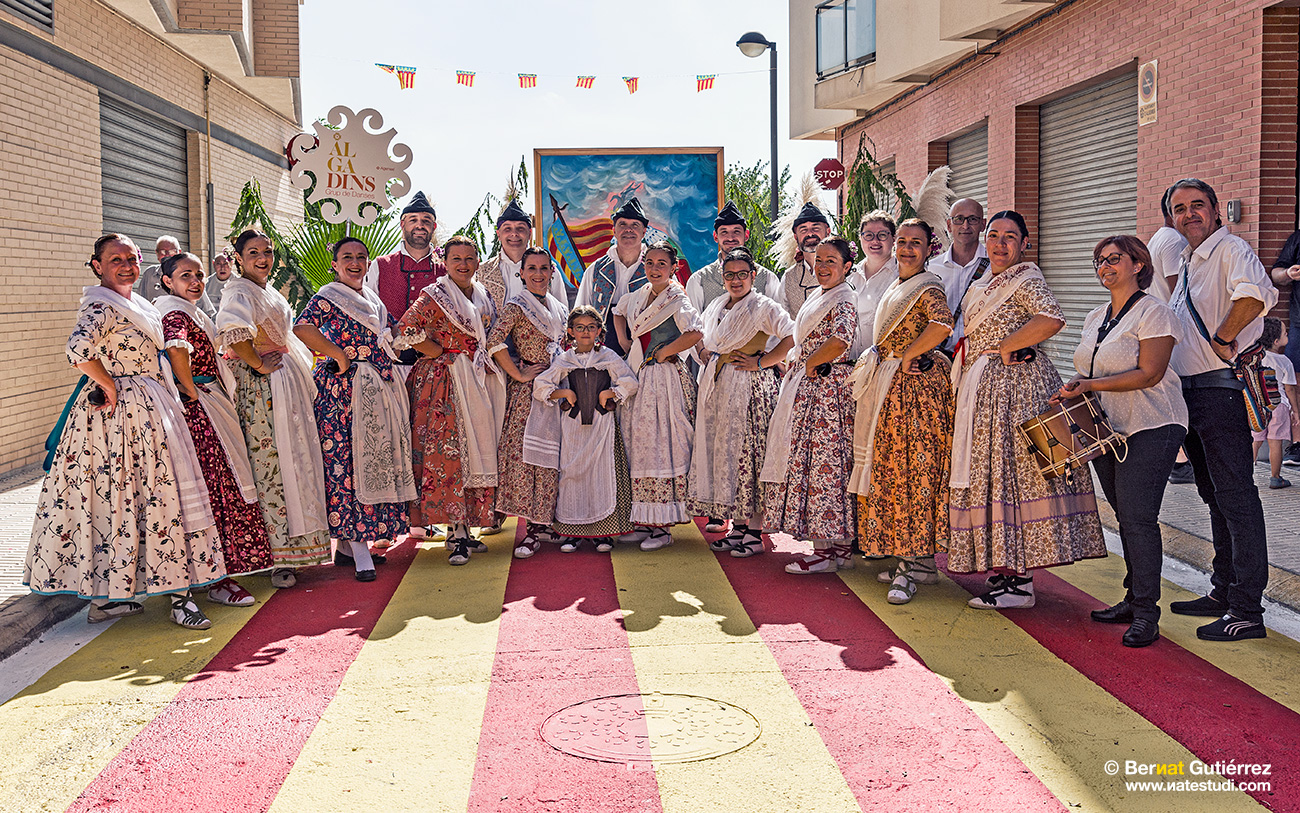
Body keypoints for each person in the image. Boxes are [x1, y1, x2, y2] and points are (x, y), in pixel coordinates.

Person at [27, 234, 224, 629]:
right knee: (153, 495)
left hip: (147, 407)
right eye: (115, 259)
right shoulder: (100, 304)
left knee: (129, 499)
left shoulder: (137, 303)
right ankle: (179, 598)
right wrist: (111, 384)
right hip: (125, 414)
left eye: (131, 258)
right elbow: (76, 350)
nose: (126, 265)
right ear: (97, 266)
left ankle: (109, 599)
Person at [947, 210, 1106, 608]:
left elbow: (1052, 318)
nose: (1000, 244)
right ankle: (1005, 571)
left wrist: (1005, 346)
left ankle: (1019, 581)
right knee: (991, 475)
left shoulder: (1027, 276)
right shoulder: (983, 280)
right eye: (994, 235)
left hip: (1013, 388)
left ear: (1024, 244)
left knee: (1012, 476)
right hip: (983, 386)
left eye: (1010, 237)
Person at [1058, 235, 1187, 647]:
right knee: (1126, 517)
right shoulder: (1096, 316)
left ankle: (1147, 612)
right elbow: (1090, 372)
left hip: (1153, 425)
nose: (1105, 267)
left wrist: (1091, 383)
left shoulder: (1155, 313)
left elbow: (1150, 373)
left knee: (1137, 518)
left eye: (1114, 259)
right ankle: (1133, 599)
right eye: (1099, 261)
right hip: (1108, 432)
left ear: (1138, 264)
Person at [1165, 178, 1277, 641]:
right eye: (1179, 208)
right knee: (1214, 496)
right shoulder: (1190, 261)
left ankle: (1248, 609)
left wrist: (1225, 337)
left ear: (1215, 211)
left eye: (1197, 205)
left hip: (1221, 391)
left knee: (1235, 496)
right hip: (1193, 395)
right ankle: (1224, 589)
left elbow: (1255, 296)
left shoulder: (1231, 249)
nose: (1188, 214)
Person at [294, 237, 417, 581]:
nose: (354, 262)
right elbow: (302, 327)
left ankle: (350, 549)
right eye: (347, 257)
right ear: (334, 264)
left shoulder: (373, 300)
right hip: (343, 388)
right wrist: (338, 355)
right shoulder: (327, 296)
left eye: (361, 257)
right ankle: (359, 548)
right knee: (348, 462)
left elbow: (390, 332)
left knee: (373, 460)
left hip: (376, 386)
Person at [157, 252, 272, 607]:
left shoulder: (189, 310)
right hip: (199, 408)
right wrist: (193, 392)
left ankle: (216, 574)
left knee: (219, 484)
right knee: (216, 487)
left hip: (209, 402)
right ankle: (214, 578)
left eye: (199, 275)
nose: (194, 281)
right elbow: (177, 350)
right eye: (185, 276)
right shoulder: (173, 312)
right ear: (167, 281)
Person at [217, 229, 331, 588]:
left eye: (266, 252)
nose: (262, 258)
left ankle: (295, 551)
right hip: (262, 389)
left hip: (283, 384)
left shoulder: (263, 290)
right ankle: (275, 556)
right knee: (270, 462)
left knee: (292, 460)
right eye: (253, 252)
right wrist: (257, 364)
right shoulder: (238, 290)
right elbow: (233, 329)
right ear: (238, 257)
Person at [850, 219, 955, 604]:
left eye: (917, 243)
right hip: (891, 386)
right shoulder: (896, 284)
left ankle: (912, 564)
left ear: (930, 249)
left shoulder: (928, 286)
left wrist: (911, 353)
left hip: (915, 392)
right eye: (904, 242)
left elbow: (942, 323)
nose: (908, 249)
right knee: (893, 467)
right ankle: (918, 562)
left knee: (914, 470)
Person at [394, 235, 506, 565]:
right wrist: (440, 352)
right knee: (448, 453)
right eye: (456, 258)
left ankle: (466, 528)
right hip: (445, 381)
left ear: (477, 261)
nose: (463, 264)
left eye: (469, 258)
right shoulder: (434, 294)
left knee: (475, 451)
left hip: (477, 379)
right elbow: (406, 331)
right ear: (445, 261)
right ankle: (454, 533)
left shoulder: (483, 293)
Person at [761, 237, 859, 574]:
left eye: (831, 261)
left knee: (824, 464)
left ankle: (826, 549)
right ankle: (838, 547)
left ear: (847, 266)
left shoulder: (843, 298)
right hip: (814, 385)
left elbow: (841, 340)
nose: (822, 267)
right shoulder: (822, 295)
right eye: (818, 260)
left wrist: (808, 364)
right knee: (821, 462)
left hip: (825, 390)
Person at [689, 244, 795, 555]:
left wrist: (764, 361)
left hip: (750, 389)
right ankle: (738, 526)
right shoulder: (717, 306)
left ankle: (756, 530)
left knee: (750, 456)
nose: (736, 280)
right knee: (728, 457)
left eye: (743, 275)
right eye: (730, 275)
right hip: (720, 387)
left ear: (754, 275)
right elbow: (703, 341)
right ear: (722, 278)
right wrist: (707, 354)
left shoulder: (762, 306)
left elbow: (792, 335)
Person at [613, 241, 704, 550]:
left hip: (664, 380)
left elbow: (695, 333)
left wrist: (666, 350)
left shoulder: (677, 299)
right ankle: (644, 519)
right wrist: (626, 342)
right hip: (639, 374)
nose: (654, 268)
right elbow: (617, 311)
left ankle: (662, 526)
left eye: (661, 264)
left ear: (673, 267)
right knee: (638, 444)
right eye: (650, 263)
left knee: (662, 445)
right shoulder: (638, 296)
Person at [531, 306, 639, 551]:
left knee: (602, 475)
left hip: (602, 426)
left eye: (591, 327)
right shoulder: (565, 359)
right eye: (579, 328)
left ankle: (603, 533)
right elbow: (540, 385)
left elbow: (630, 382)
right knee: (572, 474)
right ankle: (572, 533)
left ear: (599, 331)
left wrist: (611, 393)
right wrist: (563, 392)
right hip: (573, 427)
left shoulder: (608, 356)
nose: (586, 332)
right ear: (570, 332)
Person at [485, 247, 567, 558]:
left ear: (551, 272)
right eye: (531, 268)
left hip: (557, 386)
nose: (537, 274)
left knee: (552, 456)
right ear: (521, 273)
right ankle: (530, 526)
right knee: (526, 455)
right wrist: (518, 373)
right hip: (529, 392)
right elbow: (494, 341)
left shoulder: (559, 307)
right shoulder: (517, 306)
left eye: (543, 268)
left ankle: (544, 521)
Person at [575, 197, 650, 354]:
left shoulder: (655, 269)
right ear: (614, 230)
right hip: (601, 351)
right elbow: (581, 313)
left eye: (635, 225)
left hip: (644, 349)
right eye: (622, 224)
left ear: (644, 232)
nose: (628, 230)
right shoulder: (596, 269)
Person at [685, 202, 785, 316]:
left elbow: (776, 322)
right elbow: (694, 327)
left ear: (746, 235)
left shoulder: (767, 278)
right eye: (724, 232)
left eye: (736, 231)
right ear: (715, 236)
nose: (731, 237)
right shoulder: (699, 280)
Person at [477, 199, 569, 312]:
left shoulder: (549, 270)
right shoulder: (482, 272)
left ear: (529, 234)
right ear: (498, 235)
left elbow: (562, 313)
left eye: (520, 228)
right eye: (507, 228)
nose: (514, 233)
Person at [927, 198, 989, 354]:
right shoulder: (932, 268)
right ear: (949, 225)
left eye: (973, 219)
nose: (965, 226)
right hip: (940, 359)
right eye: (959, 219)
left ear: (983, 224)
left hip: (979, 359)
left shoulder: (994, 266)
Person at [1251, 317, 1299, 489]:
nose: (1288, 333)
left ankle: (1246, 474)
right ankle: (1275, 477)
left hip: (1258, 405)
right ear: (1277, 341)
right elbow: (1290, 390)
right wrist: (1296, 411)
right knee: (1275, 442)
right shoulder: (1285, 362)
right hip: (1278, 405)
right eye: (1285, 332)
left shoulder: (1255, 358)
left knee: (1255, 440)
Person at [1268, 227, 1300, 468]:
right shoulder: (1298, 238)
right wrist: (1288, 273)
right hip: (1299, 324)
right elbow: (1276, 274)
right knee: (1293, 382)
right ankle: (1296, 445)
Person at [847, 210, 900, 357]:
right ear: (860, 238)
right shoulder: (849, 275)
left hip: (885, 362)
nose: (875, 241)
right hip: (851, 363)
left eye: (882, 235)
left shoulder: (901, 274)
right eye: (868, 235)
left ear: (894, 239)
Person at [779, 202, 832, 316]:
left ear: (828, 231)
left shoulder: (845, 271)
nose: (810, 234)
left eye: (815, 228)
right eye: (803, 230)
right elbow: (782, 322)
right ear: (795, 237)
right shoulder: (789, 278)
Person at [1144, 186, 1182, 302]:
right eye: (1181, 209)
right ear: (1171, 212)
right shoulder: (1175, 240)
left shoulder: (1158, 237)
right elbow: (1178, 293)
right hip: (1170, 317)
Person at [133, 234, 181, 300]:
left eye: (171, 251)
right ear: (157, 253)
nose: (167, 255)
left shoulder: (189, 275)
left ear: (179, 252)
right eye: (163, 251)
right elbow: (140, 301)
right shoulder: (150, 274)